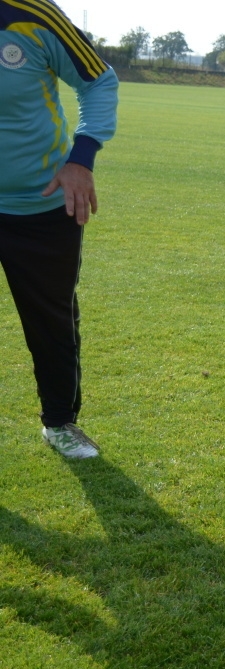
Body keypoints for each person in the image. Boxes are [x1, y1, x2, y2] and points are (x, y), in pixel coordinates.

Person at [0, 0, 118, 459]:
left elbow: (99, 80)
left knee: (52, 322)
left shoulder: (32, 15)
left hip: (41, 205)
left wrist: (80, 159)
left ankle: (60, 423)